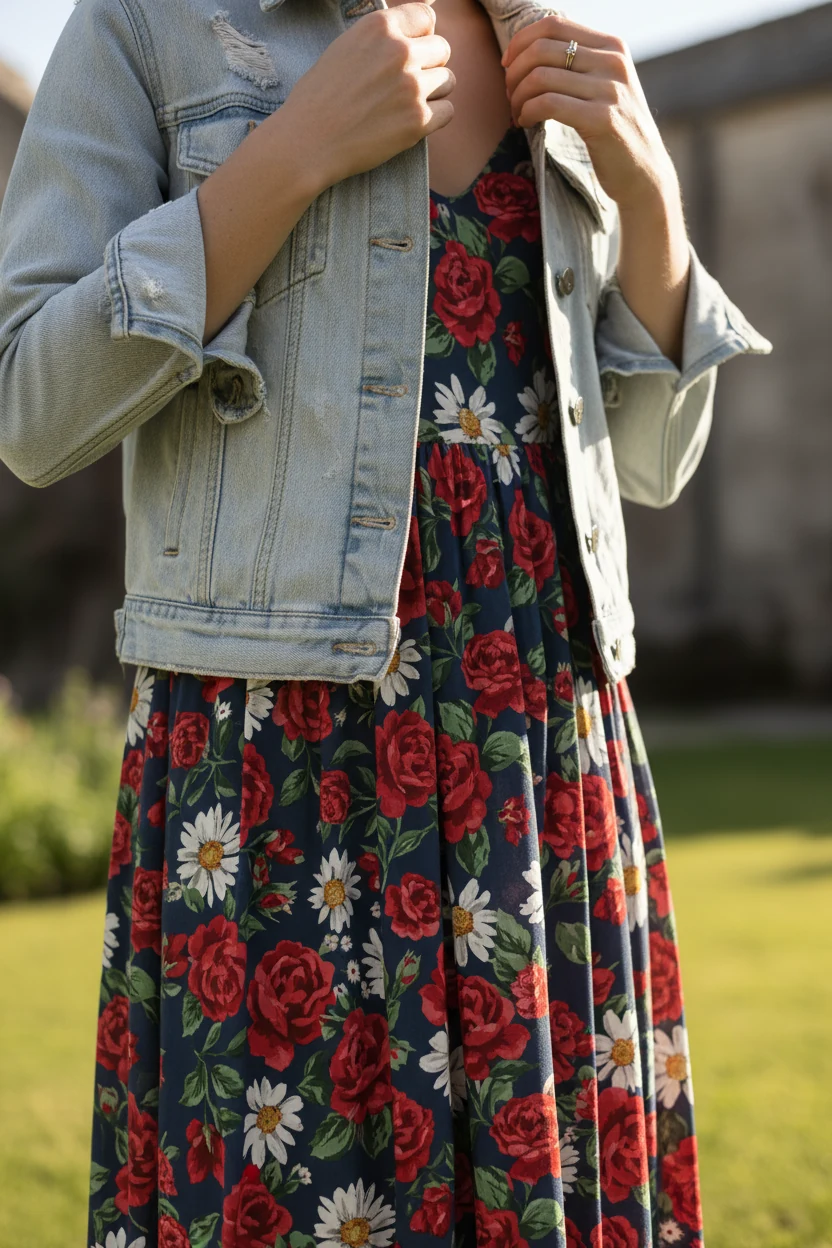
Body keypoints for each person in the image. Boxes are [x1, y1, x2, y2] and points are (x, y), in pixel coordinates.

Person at [0, 1, 772, 1246]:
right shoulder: (150, 28)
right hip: (279, 773)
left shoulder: (542, 38)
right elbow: (32, 410)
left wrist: (651, 200)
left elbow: (655, 463)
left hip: (542, 759)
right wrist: (288, 156)